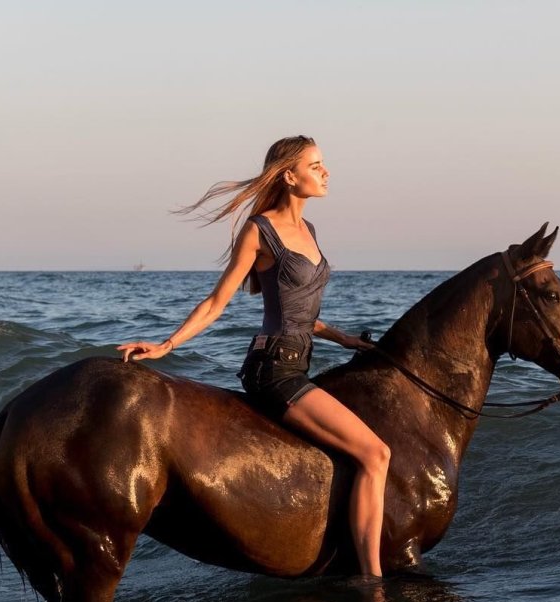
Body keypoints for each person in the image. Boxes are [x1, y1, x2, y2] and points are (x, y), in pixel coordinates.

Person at [117, 136, 389, 577]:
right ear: (289, 175)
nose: (326, 172)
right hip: (273, 369)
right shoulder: (259, 231)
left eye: (323, 164)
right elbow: (216, 301)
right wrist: (166, 345)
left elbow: (300, 312)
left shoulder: (310, 232)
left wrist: (346, 340)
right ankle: (372, 581)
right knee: (376, 455)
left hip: (300, 361)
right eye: (316, 165)